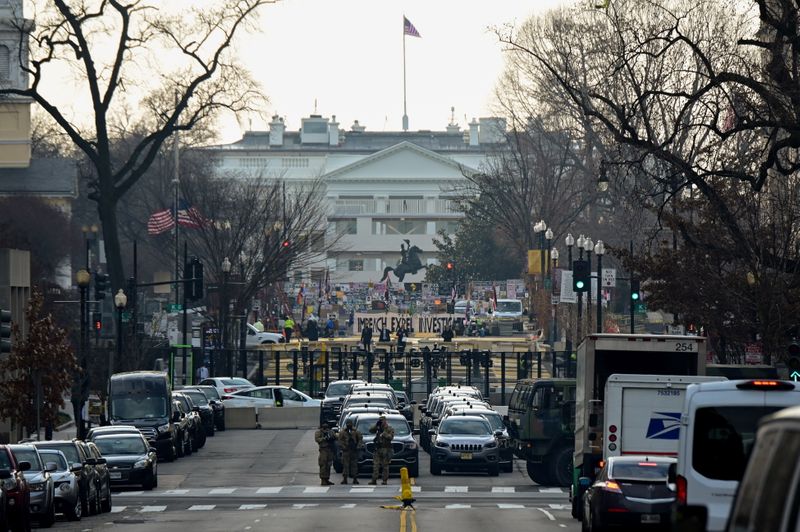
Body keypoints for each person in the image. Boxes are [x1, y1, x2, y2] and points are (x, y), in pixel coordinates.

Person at [369, 415, 395, 485]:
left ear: (385, 421)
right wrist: (376, 425)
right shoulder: (378, 428)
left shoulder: (389, 428)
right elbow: (371, 430)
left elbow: (391, 437)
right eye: (380, 421)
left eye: (382, 421)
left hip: (386, 449)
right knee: (375, 465)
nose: (381, 422)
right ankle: (374, 480)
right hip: (378, 449)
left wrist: (384, 434)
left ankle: (384, 480)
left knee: (385, 466)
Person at [337, 419, 363, 484]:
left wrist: (358, 447)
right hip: (346, 451)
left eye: (350, 424)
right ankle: (345, 479)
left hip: (354, 451)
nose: (349, 425)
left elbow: (360, 439)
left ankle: (355, 479)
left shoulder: (356, 432)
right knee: (345, 465)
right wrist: (343, 447)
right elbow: (339, 441)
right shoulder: (343, 432)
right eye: (348, 424)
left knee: (354, 465)